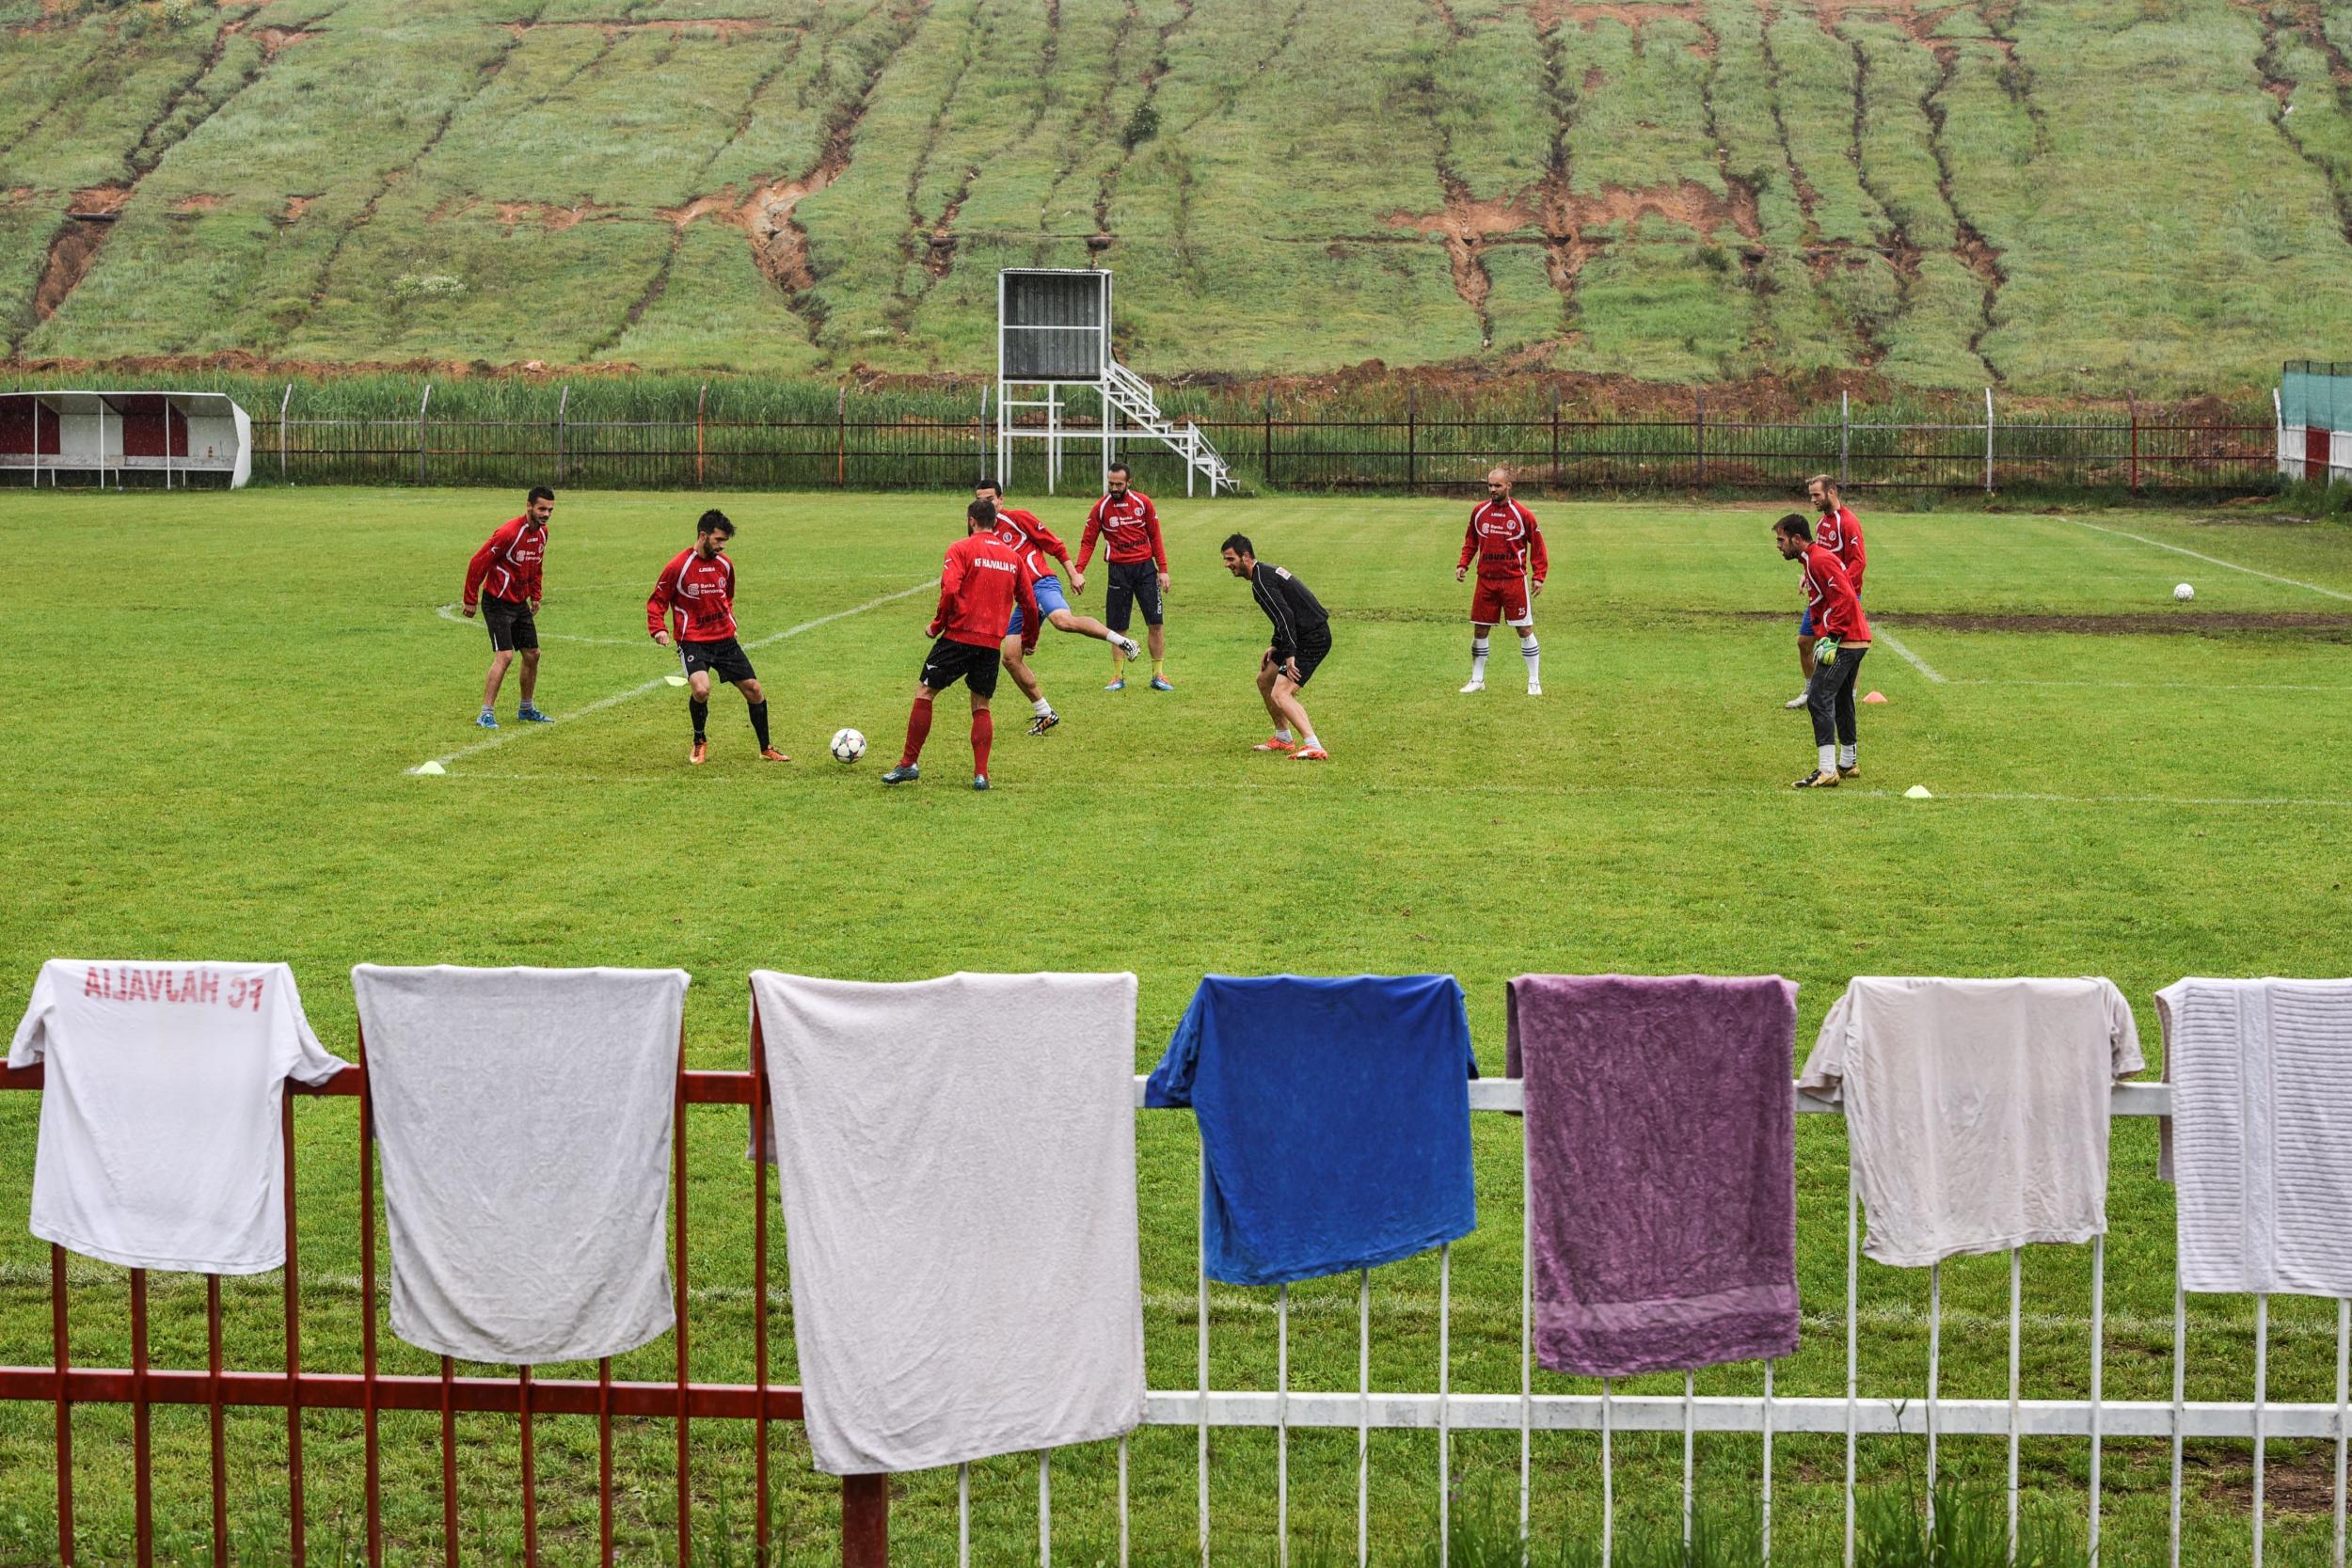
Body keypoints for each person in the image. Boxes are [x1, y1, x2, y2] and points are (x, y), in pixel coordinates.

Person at [883, 500, 1042, 791]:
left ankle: (908, 763)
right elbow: (1030, 604)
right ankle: (981, 774)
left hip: (959, 636)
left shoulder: (960, 549)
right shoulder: (1012, 557)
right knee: (981, 704)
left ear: (971, 521)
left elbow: (950, 590)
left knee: (926, 691)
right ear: (995, 522)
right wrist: (1029, 640)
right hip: (990, 643)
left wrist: (937, 625)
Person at [977, 480, 1142, 736]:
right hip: (1023, 599)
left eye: (990, 499)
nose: (985, 504)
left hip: (1041, 584)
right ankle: (1044, 711)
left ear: (1001, 500)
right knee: (1010, 658)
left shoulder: (1018, 518)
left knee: (1063, 621)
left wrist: (1074, 574)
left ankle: (1123, 642)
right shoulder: (978, 531)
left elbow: (1053, 543)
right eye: (980, 500)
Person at [646, 510, 788, 767]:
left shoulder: (725, 565)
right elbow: (658, 600)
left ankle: (766, 748)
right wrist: (659, 629)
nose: (722, 546)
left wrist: (730, 621)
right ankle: (699, 740)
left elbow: (728, 596)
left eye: (725, 542)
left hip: (725, 640)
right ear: (703, 536)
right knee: (701, 689)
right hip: (693, 640)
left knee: (754, 690)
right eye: (719, 540)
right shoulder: (678, 566)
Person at [1773, 514, 1870, 788]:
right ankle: (1848, 762)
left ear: (1797, 539)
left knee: (1818, 696)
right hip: (1853, 638)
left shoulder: (1819, 560)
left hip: (1847, 640)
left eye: (1781, 540)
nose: (1779, 546)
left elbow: (1846, 596)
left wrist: (1833, 636)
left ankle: (1826, 769)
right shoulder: (1812, 561)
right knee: (1840, 698)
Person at [1220, 533, 1332, 762]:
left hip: (1312, 637)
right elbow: (1283, 613)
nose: (1227, 565)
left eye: (1231, 559)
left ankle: (1313, 744)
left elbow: (1286, 615)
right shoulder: (1263, 575)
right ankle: (1283, 738)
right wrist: (1276, 645)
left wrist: (1289, 654)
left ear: (1246, 557)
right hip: (1300, 632)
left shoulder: (1261, 582)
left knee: (1281, 693)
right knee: (1264, 679)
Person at [461, 485, 556, 727]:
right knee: (504, 656)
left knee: (533, 655)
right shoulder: (508, 533)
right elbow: (478, 561)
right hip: (497, 602)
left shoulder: (543, 534)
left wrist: (535, 595)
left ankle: (526, 709)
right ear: (529, 506)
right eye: (541, 508)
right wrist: (470, 598)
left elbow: (537, 565)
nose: (546, 514)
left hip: (519, 601)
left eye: (550, 510)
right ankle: (486, 713)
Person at [1074, 463, 1170, 689]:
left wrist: (1163, 569)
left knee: (1155, 623)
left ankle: (1158, 675)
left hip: (1145, 569)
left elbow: (1155, 536)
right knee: (1118, 627)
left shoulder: (1143, 503)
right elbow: (1088, 540)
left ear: (1129, 482)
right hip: (1118, 571)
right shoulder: (1101, 507)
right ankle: (1118, 677)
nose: (1114, 488)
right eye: (1111, 483)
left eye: (1119, 484)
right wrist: (1079, 570)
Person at [1454, 467, 1548, 695]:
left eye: (1497, 485)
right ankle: (1477, 680)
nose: (1493, 489)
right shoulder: (1479, 512)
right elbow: (1471, 541)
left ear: (1509, 486)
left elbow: (1538, 546)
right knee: (1480, 630)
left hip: (1513, 581)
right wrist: (1463, 564)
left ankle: (1534, 681)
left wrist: (1539, 576)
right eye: (1490, 485)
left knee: (1524, 630)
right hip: (1485, 581)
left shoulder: (1523, 514)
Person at [1787, 474, 1867, 709]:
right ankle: (1810, 692)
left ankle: (1848, 699)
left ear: (1831, 492)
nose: (1812, 500)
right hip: (1822, 598)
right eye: (1811, 495)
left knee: (1847, 649)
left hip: (1844, 597)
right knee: (1804, 642)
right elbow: (1817, 557)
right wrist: (1807, 574)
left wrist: (1842, 590)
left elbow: (1858, 562)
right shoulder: (1821, 525)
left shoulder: (1849, 522)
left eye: (1816, 495)